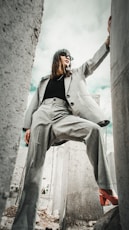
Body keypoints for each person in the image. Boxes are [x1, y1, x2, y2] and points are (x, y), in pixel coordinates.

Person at [12, 16, 118, 230]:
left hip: (63, 115)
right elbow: (35, 103)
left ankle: (105, 188)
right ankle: (22, 226)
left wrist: (108, 41)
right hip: (41, 117)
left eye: (70, 57)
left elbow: (92, 62)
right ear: (57, 58)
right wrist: (28, 127)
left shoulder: (77, 74)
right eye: (65, 56)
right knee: (33, 171)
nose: (69, 59)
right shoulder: (44, 80)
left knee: (94, 131)